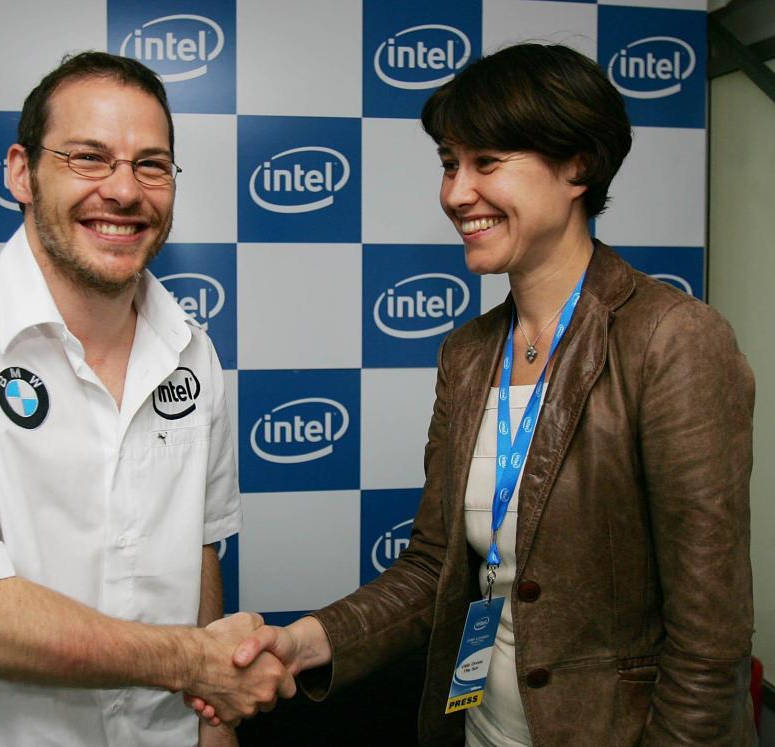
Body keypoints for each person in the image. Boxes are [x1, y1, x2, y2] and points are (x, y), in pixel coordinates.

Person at [191, 43, 757, 745]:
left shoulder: (672, 341)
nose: (457, 193)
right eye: (450, 164)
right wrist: (301, 642)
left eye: (486, 163)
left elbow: (709, 641)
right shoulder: (468, 354)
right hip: (478, 726)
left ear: (577, 165)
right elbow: (436, 568)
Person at [0, 51, 294, 747]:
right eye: (89, 158)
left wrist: (214, 717)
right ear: (21, 173)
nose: (123, 191)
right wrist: (195, 663)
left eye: (151, 164)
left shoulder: (192, 352)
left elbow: (198, 546)